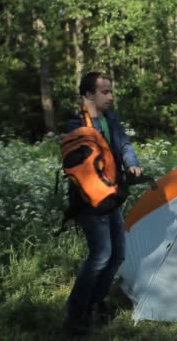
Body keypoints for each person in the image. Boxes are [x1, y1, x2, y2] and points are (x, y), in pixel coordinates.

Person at [63, 72, 142, 335]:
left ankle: (95, 303)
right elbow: (82, 157)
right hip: (88, 200)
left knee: (117, 254)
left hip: (112, 196)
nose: (110, 96)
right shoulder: (76, 124)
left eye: (111, 91)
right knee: (101, 255)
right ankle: (76, 313)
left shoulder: (111, 118)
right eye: (104, 92)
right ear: (88, 95)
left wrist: (131, 163)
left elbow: (123, 143)